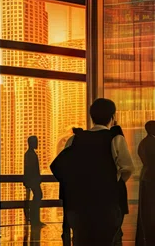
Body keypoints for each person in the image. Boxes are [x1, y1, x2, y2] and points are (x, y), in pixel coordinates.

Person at [55, 98, 134, 245]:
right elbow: (128, 168)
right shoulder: (115, 138)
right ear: (112, 117)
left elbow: (63, 166)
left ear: (92, 117)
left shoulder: (75, 139)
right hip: (106, 204)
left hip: (79, 204)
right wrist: (115, 182)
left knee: (81, 239)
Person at [24, 136, 44, 227]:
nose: (37, 144)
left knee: (37, 196)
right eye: (36, 142)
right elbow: (30, 169)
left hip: (33, 180)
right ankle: (34, 219)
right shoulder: (30, 154)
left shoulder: (30, 153)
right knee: (38, 196)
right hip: (33, 180)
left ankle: (34, 219)